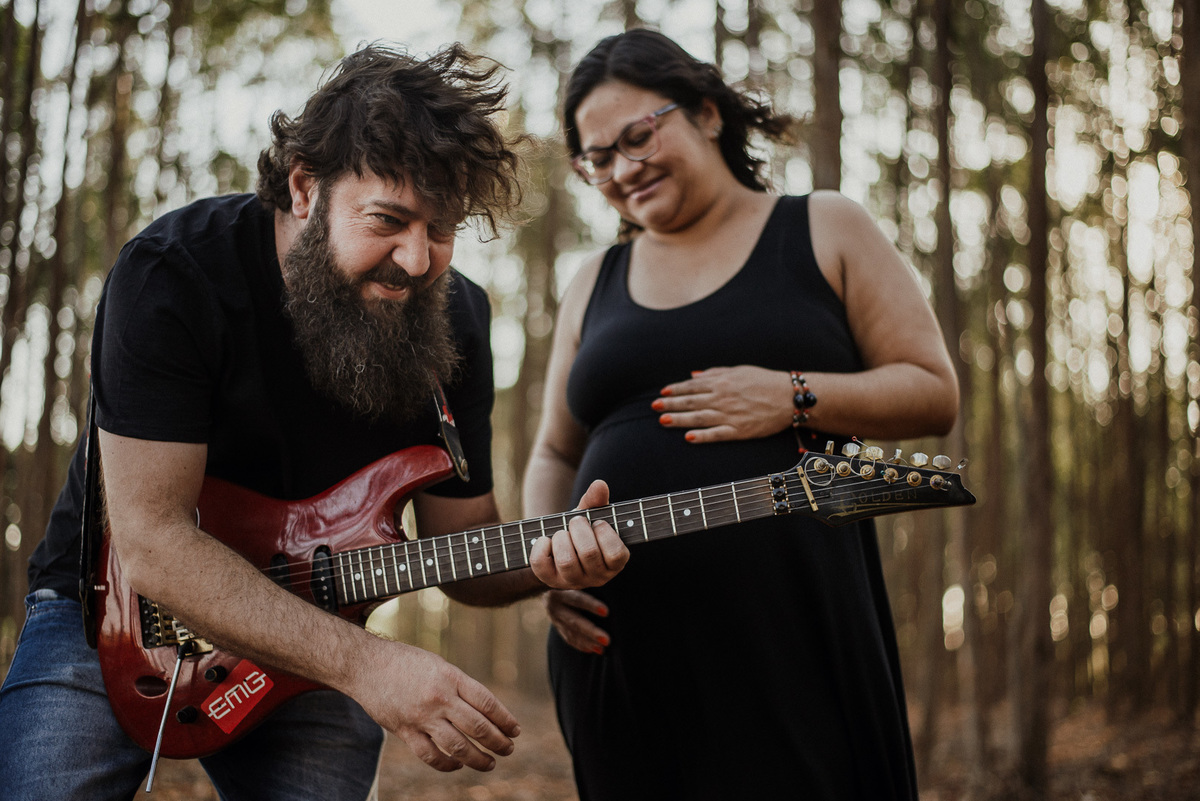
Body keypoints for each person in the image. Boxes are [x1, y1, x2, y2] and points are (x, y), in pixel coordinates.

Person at [0, 43, 626, 800]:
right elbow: (154, 542)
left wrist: (547, 562)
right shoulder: (174, 272)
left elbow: (461, 545)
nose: (418, 259)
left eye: (443, 228)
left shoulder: (457, 318)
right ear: (304, 186)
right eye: (389, 219)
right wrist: (370, 664)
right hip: (109, 609)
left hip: (316, 639)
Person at [523, 28, 960, 800]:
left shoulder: (823, 226)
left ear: (706, 113)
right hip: (621, 642)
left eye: (638, 136)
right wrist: (550, 556)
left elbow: (932, 389)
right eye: (598, 158)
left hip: (792, 627)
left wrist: (792, 394)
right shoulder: (595, 279)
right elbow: (555, 453)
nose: (623, 169)